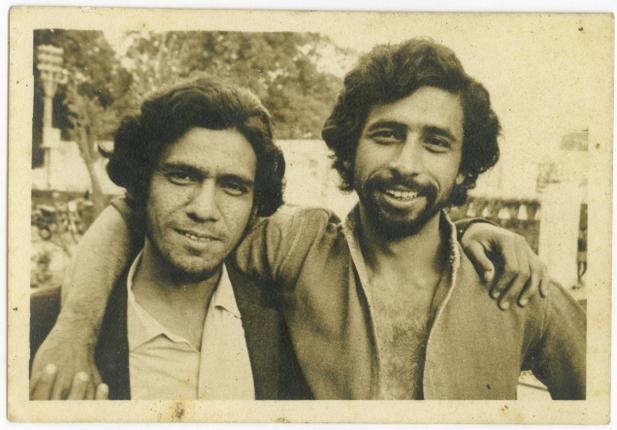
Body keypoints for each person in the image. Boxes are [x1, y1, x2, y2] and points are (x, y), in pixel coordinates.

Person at [31, 39, 568, 400]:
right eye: (386, 135)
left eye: (436, 143)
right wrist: (74, 328)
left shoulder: (518, 284)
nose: (407, 164)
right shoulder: (296, 248)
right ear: (349, 148)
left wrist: (478, 230)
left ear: (464, 165)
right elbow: (137, 213)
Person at [30, 79, 311, 400]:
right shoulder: (38, 325)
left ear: (255, 206)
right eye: (182, 176)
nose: (204, 210)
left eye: (233, 187)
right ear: (142, 183)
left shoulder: (283, 328)